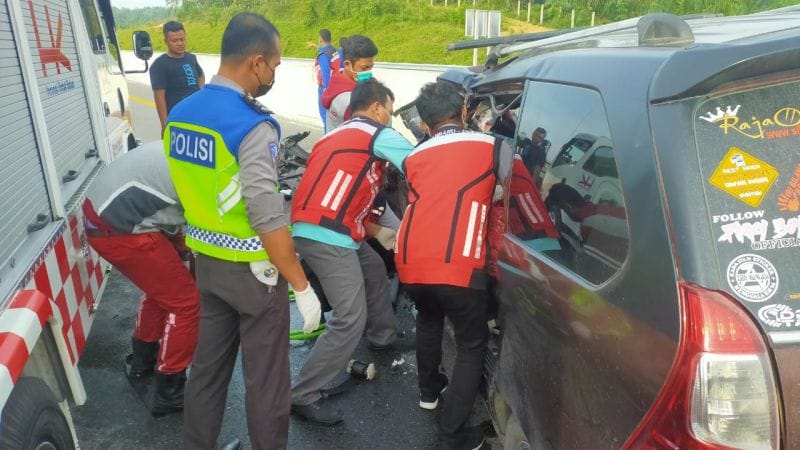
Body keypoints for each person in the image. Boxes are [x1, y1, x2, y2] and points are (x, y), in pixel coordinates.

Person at [164, 13, 322, 450]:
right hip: (254, 274)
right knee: (267, 382)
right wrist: (301, 285)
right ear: (256, 62)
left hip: (206, 265)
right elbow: (266, 214)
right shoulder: (252, 124)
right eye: (274, 65)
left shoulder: (181, 113)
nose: (273, 74)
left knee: (207, 372)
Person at [395, 80, 511, 450]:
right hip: (458, 262)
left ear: (424, 123)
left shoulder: (414, 156)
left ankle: (429, 392)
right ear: (463, 111)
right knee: (471, 344)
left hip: (411, 259)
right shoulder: (493, 145)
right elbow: (510, 192)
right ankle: (452, 437)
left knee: (429, 320)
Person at [289, 78, 414, 425]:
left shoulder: (332, 136)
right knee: (349, 318)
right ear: (376, 108)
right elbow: (423, 164)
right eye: (390, 111)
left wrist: (375, 230)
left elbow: (342, 191)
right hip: (330, 236)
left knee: (373, 268)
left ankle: (383, 336)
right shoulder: (376, 135)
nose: (390, 118)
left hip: (316, 227)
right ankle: (303, 393)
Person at [82, 141, 198, 418]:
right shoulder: (206, 172)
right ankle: (170, 390)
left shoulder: (189, 145)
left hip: (111, 215)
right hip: (119, 227)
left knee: (163, 290)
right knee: (186, 304)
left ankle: (142, 362)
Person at [149, 21, 205, 135]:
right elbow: (159, 96)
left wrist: (199, 91)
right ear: (166, 41)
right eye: (174, 41)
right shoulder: (159, 65)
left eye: (182, 39)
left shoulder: (191, 58)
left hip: (197, 114)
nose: (179, 43)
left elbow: (201, 75)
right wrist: (164, 125)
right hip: (177, 118)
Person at [321, 35, 378, 130]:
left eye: (371, 67)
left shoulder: (337, 79)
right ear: (347, 64)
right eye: (364, 68)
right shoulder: (350, 102)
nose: (369, 72)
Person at [312, 28, 340, 131]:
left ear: (320, 38)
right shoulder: (333, 50)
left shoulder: (323, 55)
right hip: (335, 85)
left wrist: (325, 91)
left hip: (325, 88)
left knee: (325, 117)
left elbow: (325, 73)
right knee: (333, 118)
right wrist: (316, 47)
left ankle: (327, 137)